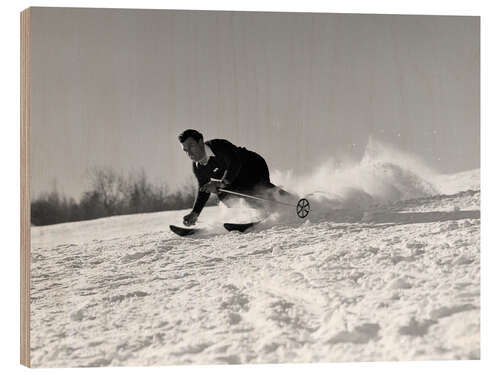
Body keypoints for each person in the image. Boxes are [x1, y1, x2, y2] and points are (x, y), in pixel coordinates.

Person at [178, 129, 288, 226]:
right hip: (234, 177)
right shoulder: (198, 167)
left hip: (252, 164)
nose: (189, 153)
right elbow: (204, 189)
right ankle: (266, 211)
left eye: (191, 146)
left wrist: (221, 183)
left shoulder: (218, 146)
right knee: (224, 195)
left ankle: (290, 200)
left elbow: (235, 164)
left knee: (253, 186)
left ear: (200, 142)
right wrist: (195, 213)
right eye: (185, 150)